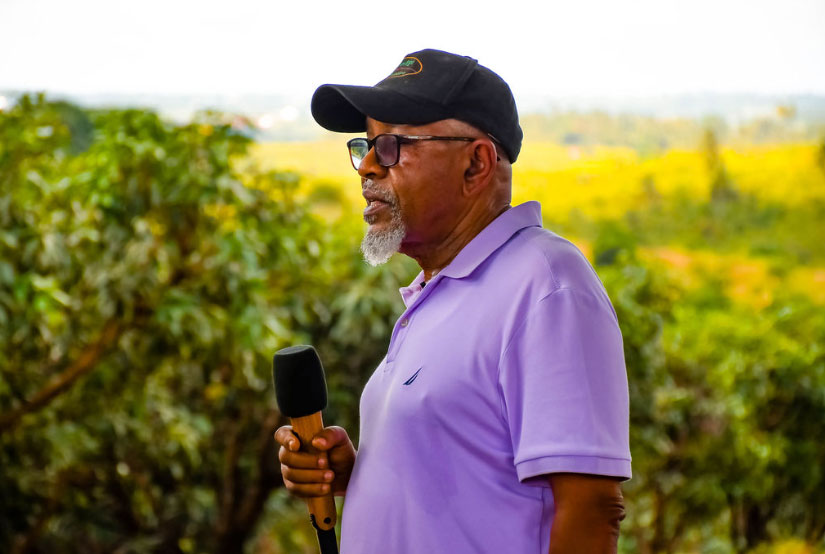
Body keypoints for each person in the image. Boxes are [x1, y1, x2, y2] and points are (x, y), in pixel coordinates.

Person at [274, 48, 631, 553]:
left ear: (475, 163)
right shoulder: (437, 291)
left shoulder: (547, 287)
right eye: (366, 145)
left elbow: (592, 510)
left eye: (392, 145)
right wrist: (360, 473)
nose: (367, 167)